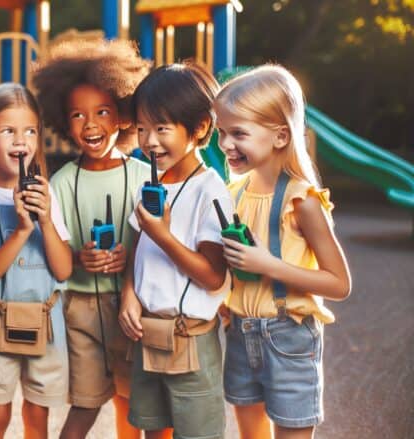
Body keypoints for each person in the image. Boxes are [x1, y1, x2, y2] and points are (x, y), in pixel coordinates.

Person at [214, 65, 352, 439]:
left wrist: (269, 266)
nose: (226, 144)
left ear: (279, 136)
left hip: (288, 336)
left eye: (238, 133)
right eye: (221, 132)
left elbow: (338, 284)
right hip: (241, 335)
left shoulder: (302, 200)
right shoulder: (233, 193)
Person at [33, 38, 151, 439]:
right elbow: (57, 251)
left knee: (137, 402)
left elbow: (156, 239)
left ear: (123, 116)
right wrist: (82, 258)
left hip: (134, 307)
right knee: (84, 403)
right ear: (64, 124)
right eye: (78, 115)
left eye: (102, 111)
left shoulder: (141, 176)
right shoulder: (62, 182)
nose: (91, 123)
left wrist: (127, 259)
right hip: (81, 308)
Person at [119, 62, 231, 439]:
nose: (149, 141)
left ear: (199, 128)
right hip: (148, 331)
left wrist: (164, 235)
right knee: (153, 428)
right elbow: (138, 248)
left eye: (162, 128)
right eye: (141, 129)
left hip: (192, 338)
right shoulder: (150, 184)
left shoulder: (211, 191)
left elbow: (214, 276)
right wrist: (128, 296)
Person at [0, 83, 73, 438]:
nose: (21, 141)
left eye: (30, 130)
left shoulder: (48, 194)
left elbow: (63, 269)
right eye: (8, 131)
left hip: (45, 319)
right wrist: (19, 230)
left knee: (37, 416)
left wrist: (44, 220)